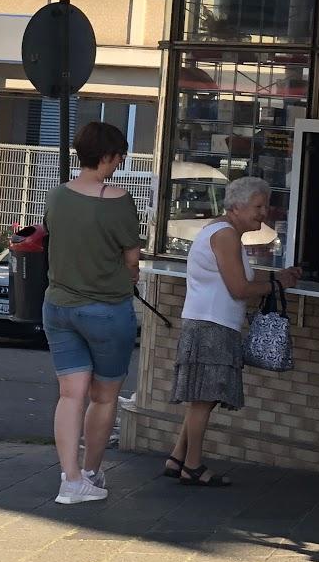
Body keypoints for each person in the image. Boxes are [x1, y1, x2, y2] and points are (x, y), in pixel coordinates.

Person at [165, 176, 300, 486]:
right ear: (236, 206)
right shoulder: (225, 235)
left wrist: (274, 278)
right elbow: (239, 288)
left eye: (265, 205)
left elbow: (234, 281)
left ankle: (177, 457)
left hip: (211, 323)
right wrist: (279, 283)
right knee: (203, 399)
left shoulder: (222, 232)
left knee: (203, 398)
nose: (264, 212)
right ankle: (193, 466)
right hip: (211, 326)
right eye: (258, 206)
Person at [42, 121, 142, 505]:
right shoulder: (118, 200)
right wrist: (129, 269)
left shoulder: (57, 195)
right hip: (106, 310)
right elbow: (131, 257)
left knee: (70, 395)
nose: (119, 164)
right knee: (103, 397)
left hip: (59, 307)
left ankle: (69, 480)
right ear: (107, 157)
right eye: (119, 157)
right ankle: (92, 474)